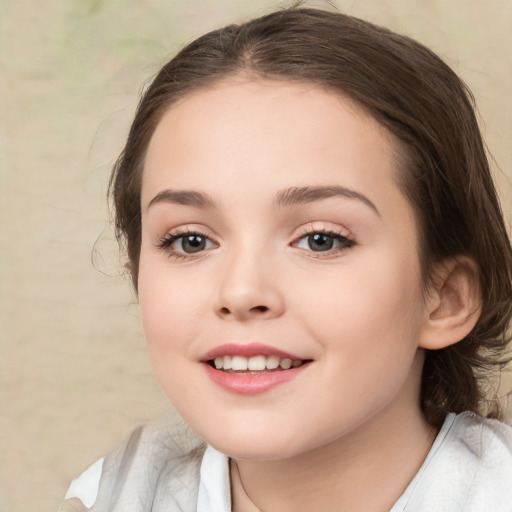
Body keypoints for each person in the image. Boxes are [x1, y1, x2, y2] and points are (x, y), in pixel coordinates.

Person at [60, 5, 512, 512]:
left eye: (321, 239)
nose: (241, 292)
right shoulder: (115, 497)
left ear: (445, 298)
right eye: (190, 241)